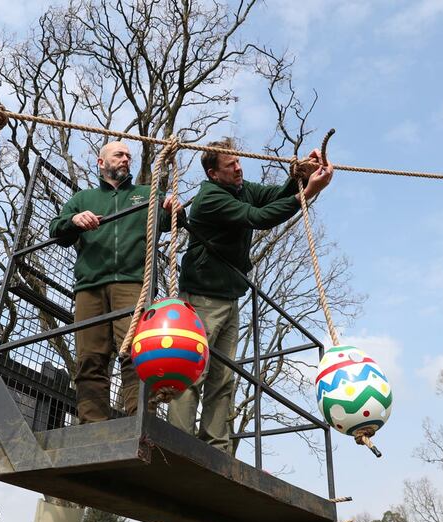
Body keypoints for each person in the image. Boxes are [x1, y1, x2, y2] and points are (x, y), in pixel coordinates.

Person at [167, 137, 334, 451]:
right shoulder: (210, 198)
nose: (239, 168)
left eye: (239, 161)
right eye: (231, 165)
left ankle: (216, 446)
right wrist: (308, 193)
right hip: (202, 297)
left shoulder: (240, 188)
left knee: (223, 377)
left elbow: (273, 196)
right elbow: (258, 218)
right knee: (193, 371)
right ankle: (179, 441)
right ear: (214, 173)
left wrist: (300, 176)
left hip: (230, 297)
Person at [49, 141, 178, 424]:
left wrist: (171, 207)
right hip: (90, 286)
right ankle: (91, 426)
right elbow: (56, 229)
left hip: (133, 283)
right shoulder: (83, 198)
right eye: (118, 155)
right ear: (101, 162)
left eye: (128, 156)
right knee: (89, 359)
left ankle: (140, 420)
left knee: (136, 353)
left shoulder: (146, 194)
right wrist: (73, 220)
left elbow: (171, 222)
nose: (125, 160)